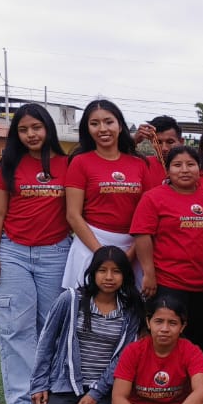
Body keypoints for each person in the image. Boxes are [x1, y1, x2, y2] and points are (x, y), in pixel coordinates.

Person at [0, 103, 71, 404]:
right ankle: (21, 400)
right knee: (16, 325)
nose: (31, 134)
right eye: (23, 130)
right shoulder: (8, 165)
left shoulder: (67, 164)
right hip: (14, 252)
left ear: (48, 128)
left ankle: (49, 395)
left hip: (56, 252)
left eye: (36, 127)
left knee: (52, 326)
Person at [32, 246, 143, 404]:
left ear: (125, 275)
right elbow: (46, 342)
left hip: (102, 391)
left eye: (116, 271)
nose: (109, 277)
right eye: (102, 270)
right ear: (92, 272)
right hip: (65, 387)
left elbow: (123, 358)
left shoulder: (130, 309)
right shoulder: (71, 299)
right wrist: (39, 384)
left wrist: (95, 393)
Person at [131, 144, 203, 353]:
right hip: (168, 282)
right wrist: (149, 273)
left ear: (199, 168)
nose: (184, 170)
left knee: (199, 343)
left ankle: (197, 375)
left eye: (190, 164)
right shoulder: (153, 197)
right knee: (166, 339)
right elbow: (142, 235)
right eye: (177, 165)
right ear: (167, 170)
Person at [61, 99, 149, 289]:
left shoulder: (139, 164)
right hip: (91, 245)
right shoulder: (80, 162)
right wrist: (102, 254)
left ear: (120, 125)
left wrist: (131, 253)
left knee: (131, 305)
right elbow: (73, 215)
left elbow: (148, 216)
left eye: (109, 122)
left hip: (132, 248)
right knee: (88, 305)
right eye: (94, 123)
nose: (103, 129)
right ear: (87, 129)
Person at [132, 114, 181, 185]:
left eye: (170, 142)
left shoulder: (191, 168)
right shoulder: (144, 164)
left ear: (181, 141)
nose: (164, 148)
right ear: (152, 142)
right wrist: (133, 141)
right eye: (159, 142)